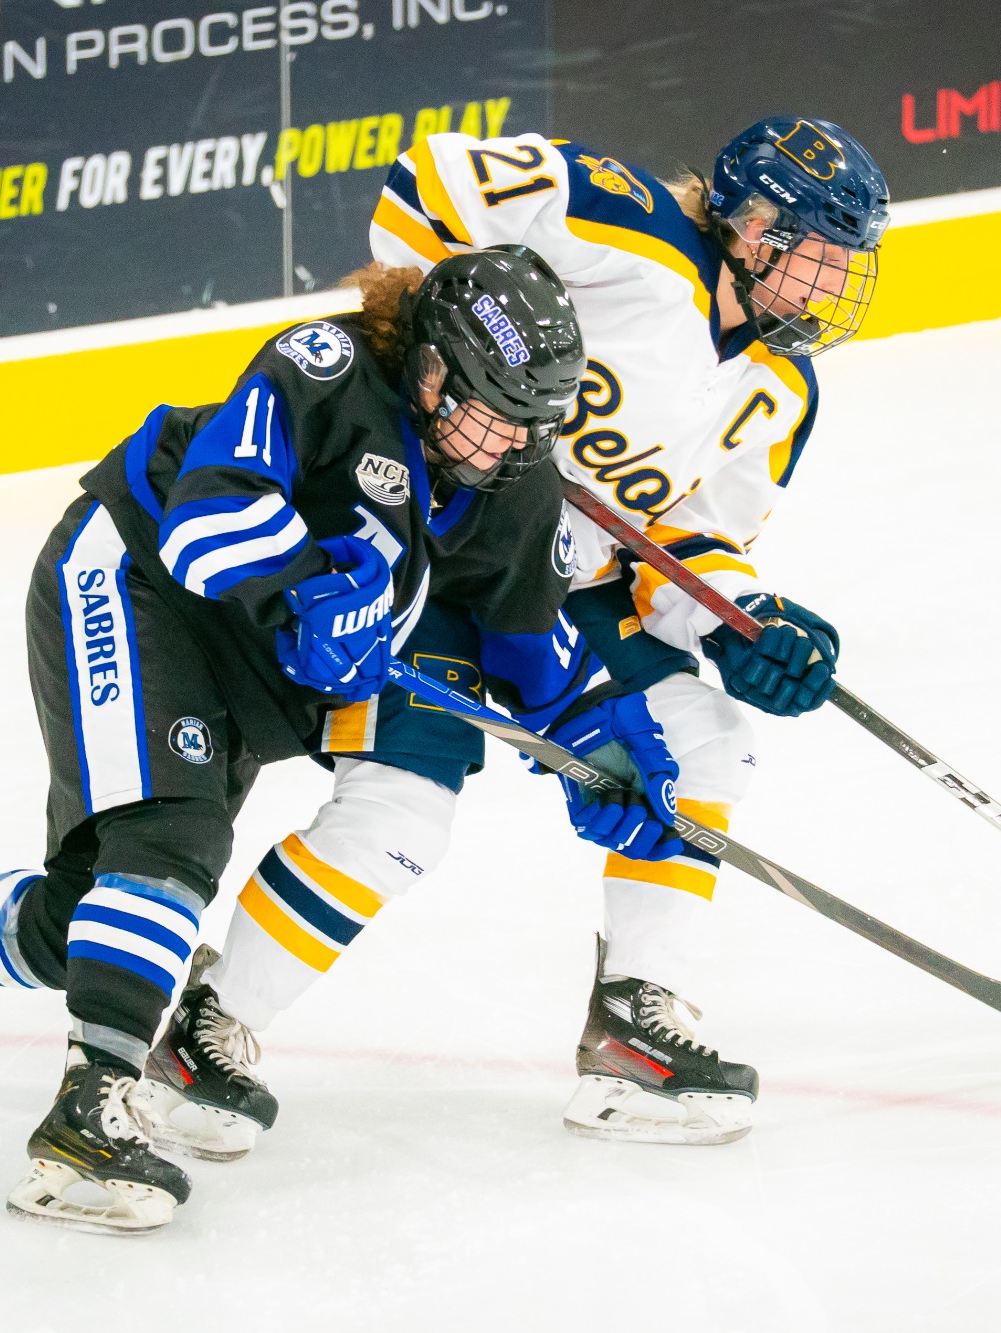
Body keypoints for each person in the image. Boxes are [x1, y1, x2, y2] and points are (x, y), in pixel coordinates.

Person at [0, 246, 686, 1234]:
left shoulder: (512, 480)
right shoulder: (325, 369)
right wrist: (303, 587)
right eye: (484, 407)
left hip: (246, 670)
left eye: (528, 418)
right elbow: (209, 512)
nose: (502, 441)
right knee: (170, 849)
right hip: (138, 584)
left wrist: (604, 746)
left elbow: (535, 652)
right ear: (428, 368)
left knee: (82, 917)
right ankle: (86, 1121)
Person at [358, 117, 891, 1144]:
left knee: (708, 743)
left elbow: (686, 542)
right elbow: (424, 184)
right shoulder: (631, 231)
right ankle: (204, 1010)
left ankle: (630, 1034)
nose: (830, 289)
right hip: (439, 526)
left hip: (571, 583)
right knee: (387, 805)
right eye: (821, 256)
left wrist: (742, 623)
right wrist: (453, 358)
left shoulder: (781, 392)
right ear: (753, 227)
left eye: (845, 265)